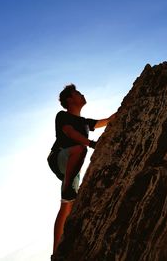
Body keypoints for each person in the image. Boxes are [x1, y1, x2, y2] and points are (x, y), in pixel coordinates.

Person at [47, 84, 116, 257]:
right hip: (60, 157)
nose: (82, 94)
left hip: (73, 167)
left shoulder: (85, 122)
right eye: (78, 93)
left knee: (66, 206)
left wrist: (122, 111)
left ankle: (55, 253)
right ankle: (68, 187)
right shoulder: (62, 116)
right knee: (80, 149)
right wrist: (92, 144)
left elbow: (106, 121)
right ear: (69, 99)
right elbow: (69, 133)